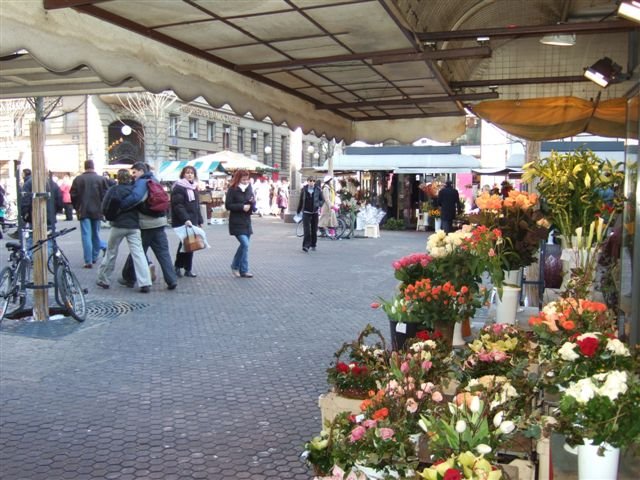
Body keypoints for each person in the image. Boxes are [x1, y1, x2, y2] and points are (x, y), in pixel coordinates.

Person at [118, 162, 177, 290]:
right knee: (163, 253)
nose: (133, 175)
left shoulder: (142, 182)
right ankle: (171, 280)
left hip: (146, 223)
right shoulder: (154, 180)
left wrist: (121, 205)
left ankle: (129, 277)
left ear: (140, 171)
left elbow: (135, 198)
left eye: (134, 172)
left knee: (138, 252)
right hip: (159, 222)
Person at [96, 169, 152, 293]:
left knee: (111, 252)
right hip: (133, 226)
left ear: (118, 178)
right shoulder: (135, 190)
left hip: (117, 225)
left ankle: (103, 279)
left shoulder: (113, 190)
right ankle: (145, 282)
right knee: (139, 254)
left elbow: (104, 207)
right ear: (130, 178)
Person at [70, 160, 110, 268]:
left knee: (86, 235)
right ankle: (94, 256)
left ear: (85, 167)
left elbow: (73, 195)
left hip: (83, 210)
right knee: (96, 234)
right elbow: (106, 195)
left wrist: (77, 207)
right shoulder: (101, 179)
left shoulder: (78, 179)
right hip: (97, 211)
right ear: (93, 167)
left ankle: (88, 260)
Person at [170, 165, 203, 278]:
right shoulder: (179, 187)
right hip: (183, 221)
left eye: (192, 173)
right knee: (185, 244)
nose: (190, 175)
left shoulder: (193, 187)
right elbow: (178, 205)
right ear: (183, 174)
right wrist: (186, 219)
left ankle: (187, 268)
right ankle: (178, 267)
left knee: (191, 245)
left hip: (192, 220)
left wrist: (200, 220)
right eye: (187, 173)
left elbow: (196, 206)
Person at [20, 172, 63, 254]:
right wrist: (55, 212)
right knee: (49, 240)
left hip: (34, 218)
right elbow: (59, 201)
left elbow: (24, 202)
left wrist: (26, 216)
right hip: (49, 218)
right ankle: (47, 263)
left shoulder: (28, 184)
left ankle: (32, 262)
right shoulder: (52, 184)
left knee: (33, 241)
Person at [225, 169, 256, 278]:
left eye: (247, 179)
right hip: (236, 221)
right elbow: (228, 205)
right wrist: (241, 207)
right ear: (238, 178)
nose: (246, 181)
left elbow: (251, 201)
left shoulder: (249, 188)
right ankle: (235, 266)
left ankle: (244, 270)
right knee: (245, 244)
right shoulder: (232, 189)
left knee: (245, 247)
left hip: (246, 221)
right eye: (243, 179)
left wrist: (252, 204)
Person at [297, 175, 322, 252]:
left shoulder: (318, 189)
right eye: (310, 181)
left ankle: (313, 244)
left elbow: (322, 200)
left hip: (314, 212)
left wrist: (318, 205)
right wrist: (298, 210)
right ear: (307, 181)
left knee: (314, 230)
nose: (312, 182)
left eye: (313, 181)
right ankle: (306, 246)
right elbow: (301, 200)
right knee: (307, 230)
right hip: (306, 212)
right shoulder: (304, 189)